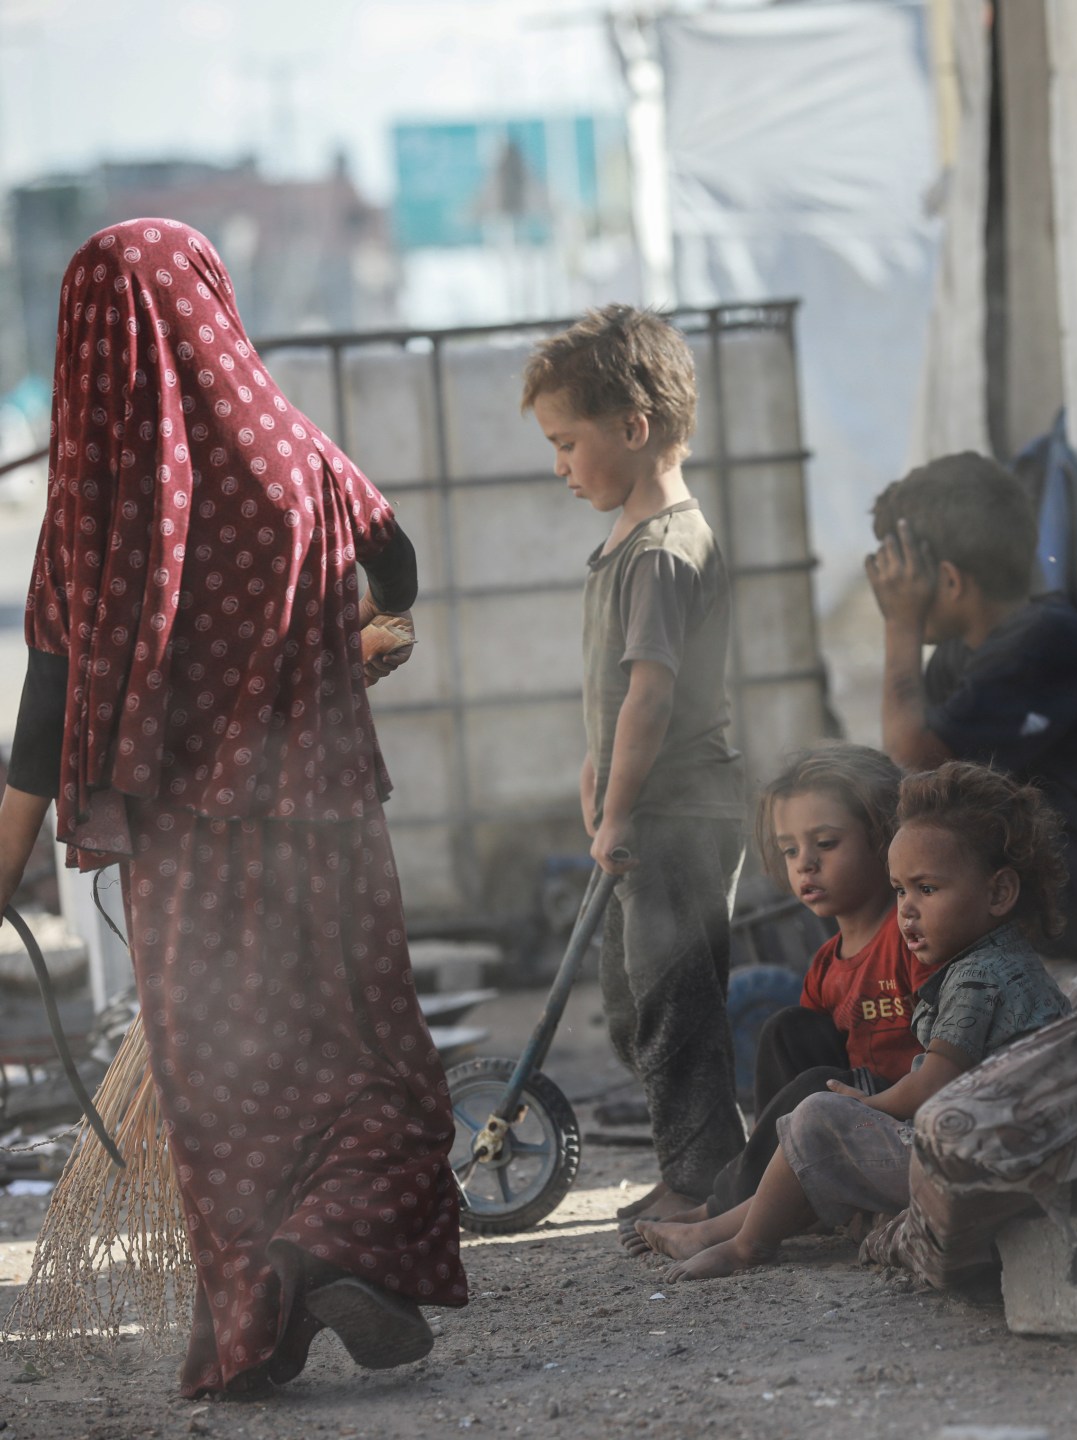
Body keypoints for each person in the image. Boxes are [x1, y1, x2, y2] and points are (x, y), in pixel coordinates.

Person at [0, 220, 464, 1398]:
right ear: (213, 305)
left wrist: (4, 866)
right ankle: (332, 1249)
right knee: (367, 1055)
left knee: (230, 1091)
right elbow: (397, 562)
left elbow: (45, 707)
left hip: (185, 862)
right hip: (325, 831)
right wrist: (366, 630)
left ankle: (263, 1315)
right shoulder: (293, 448)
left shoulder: (87, 512)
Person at [640, 761, 1071, 1279]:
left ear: (1000, 893)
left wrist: (866, 1105)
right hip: (987, 1141)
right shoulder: (999, 962)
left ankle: (744, 1243)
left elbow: (933, 1080)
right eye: (901, 891)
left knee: (818, 1116)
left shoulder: (978, 977)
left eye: (927, 890)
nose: (907, 910)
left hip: (980, 1157)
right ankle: (734, 1217)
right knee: (803, 1076)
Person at [522, 304, 748, 1227]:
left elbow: (651, 695)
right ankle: (700, 1165)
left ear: (634, 427)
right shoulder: (628, 543)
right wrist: (595, 766)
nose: (561, 467)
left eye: (568, 443)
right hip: (646, 806)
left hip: (676, 814)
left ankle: (703, 1185)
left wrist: (617, 808)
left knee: (671, 1001)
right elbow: (620, 696)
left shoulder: (660, 552)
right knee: (631, 1002)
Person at [864, 453, 1077, 961]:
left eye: (901, 576)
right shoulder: (965, 653)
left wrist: (899, 626)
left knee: (928, 888)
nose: (889, 593)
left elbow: (915, 758)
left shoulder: (1041, 643)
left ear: (950, 582)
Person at [622, 744, 928, 1253]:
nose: (805, 864)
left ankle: (721, 1214)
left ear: (885, 838)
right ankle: (770, 1196)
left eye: (826, 843)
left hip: (901, 1117)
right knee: (787, 1030)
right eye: (790, 851)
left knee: (814, 1086)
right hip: (842, 1116)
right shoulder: (826, 963)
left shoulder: (913, 938)